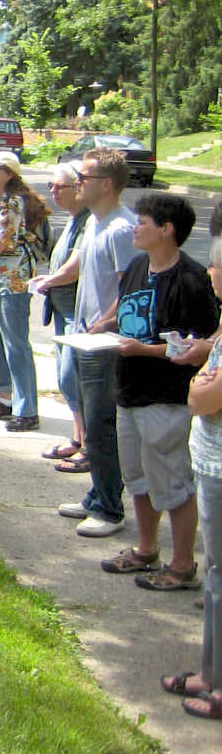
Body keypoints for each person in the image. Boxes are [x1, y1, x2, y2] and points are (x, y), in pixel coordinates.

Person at [92, 193, 218, 589]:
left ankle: (183, 567)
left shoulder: (192, 280)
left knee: (173, 484)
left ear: (167, 230)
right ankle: (146, 551)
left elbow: (203, 348)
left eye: (143, 221)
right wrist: (103, 324)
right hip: (128, 391)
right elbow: (123, 305)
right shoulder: (136, 265)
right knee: (140, 479)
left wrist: (144, 349)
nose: (135, 226)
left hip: (166, 398)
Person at [36, 148, 137, 538]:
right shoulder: (95, 223)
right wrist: (49, 280)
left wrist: (103, 324)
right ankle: (97, 495)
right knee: (92, 426)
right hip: (84, 337)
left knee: (101, 425)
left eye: (85, 178)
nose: (78, 184)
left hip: (105, 343)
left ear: (107, 184)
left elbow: (131, 286)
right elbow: (78, 265)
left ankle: (110, 508)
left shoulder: (122, 229)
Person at [163, 229, 222, 718]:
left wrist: (202, 383)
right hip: (211, 460)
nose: (210, 273)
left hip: (219, 464)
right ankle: (211, 672)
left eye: (217, 267)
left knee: (220, 576)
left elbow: (203, 397)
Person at [0, 150, 48, 433]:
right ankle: (5, 399)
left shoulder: (13, 203)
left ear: (9, 173)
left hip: (13, 281)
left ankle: (27, 409)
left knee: (16, 344)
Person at [40, 162, 92, 471]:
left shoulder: (87, 222)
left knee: (76, 378)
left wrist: (47, 281)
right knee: (66, 377)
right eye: (51, 186)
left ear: (79, 189)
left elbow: (74, 267)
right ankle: (77, 439)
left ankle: (88, 446)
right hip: (61, 310)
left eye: (60, 187)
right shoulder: (72, 219)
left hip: (78, 314)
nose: (54, 192)